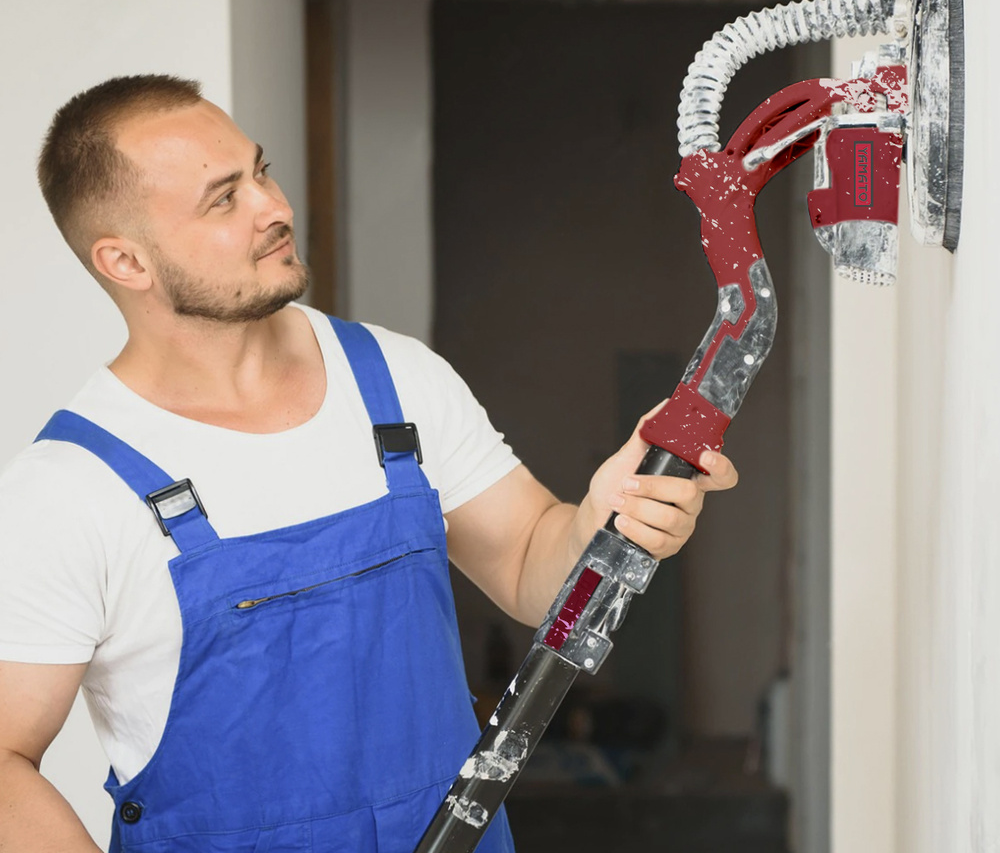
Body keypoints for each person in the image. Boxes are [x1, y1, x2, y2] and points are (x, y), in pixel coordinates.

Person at [0, 75, 737, 852]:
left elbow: (529, 567)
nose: (274, 207)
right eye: (224, 199)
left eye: (262, 170)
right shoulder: (71, 488)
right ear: (126, 262)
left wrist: (606, 514)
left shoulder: (393, 381)